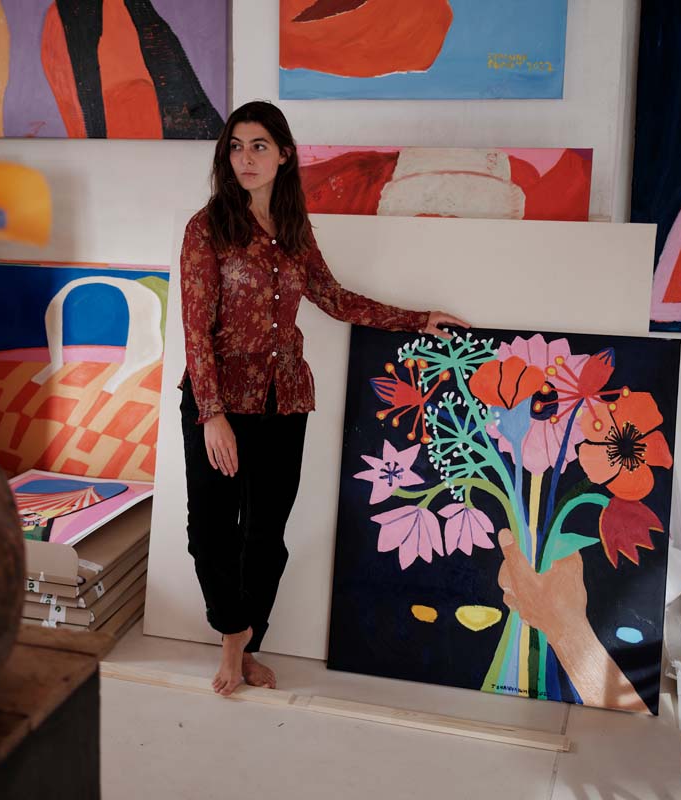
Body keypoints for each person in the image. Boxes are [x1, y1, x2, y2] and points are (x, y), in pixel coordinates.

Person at [179, 100, 467, 696]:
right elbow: (195, 330)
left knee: (265, 536)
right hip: (219, 404)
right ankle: (232, 632)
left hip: (284, 403)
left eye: (259, 146)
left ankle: (243, 648)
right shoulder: (206, 229)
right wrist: (212, 415)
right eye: (236, 146)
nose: (245, 158)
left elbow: (335, 299)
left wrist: (417, 319)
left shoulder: (294, 229)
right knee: (209, 532)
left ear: (284, 155)